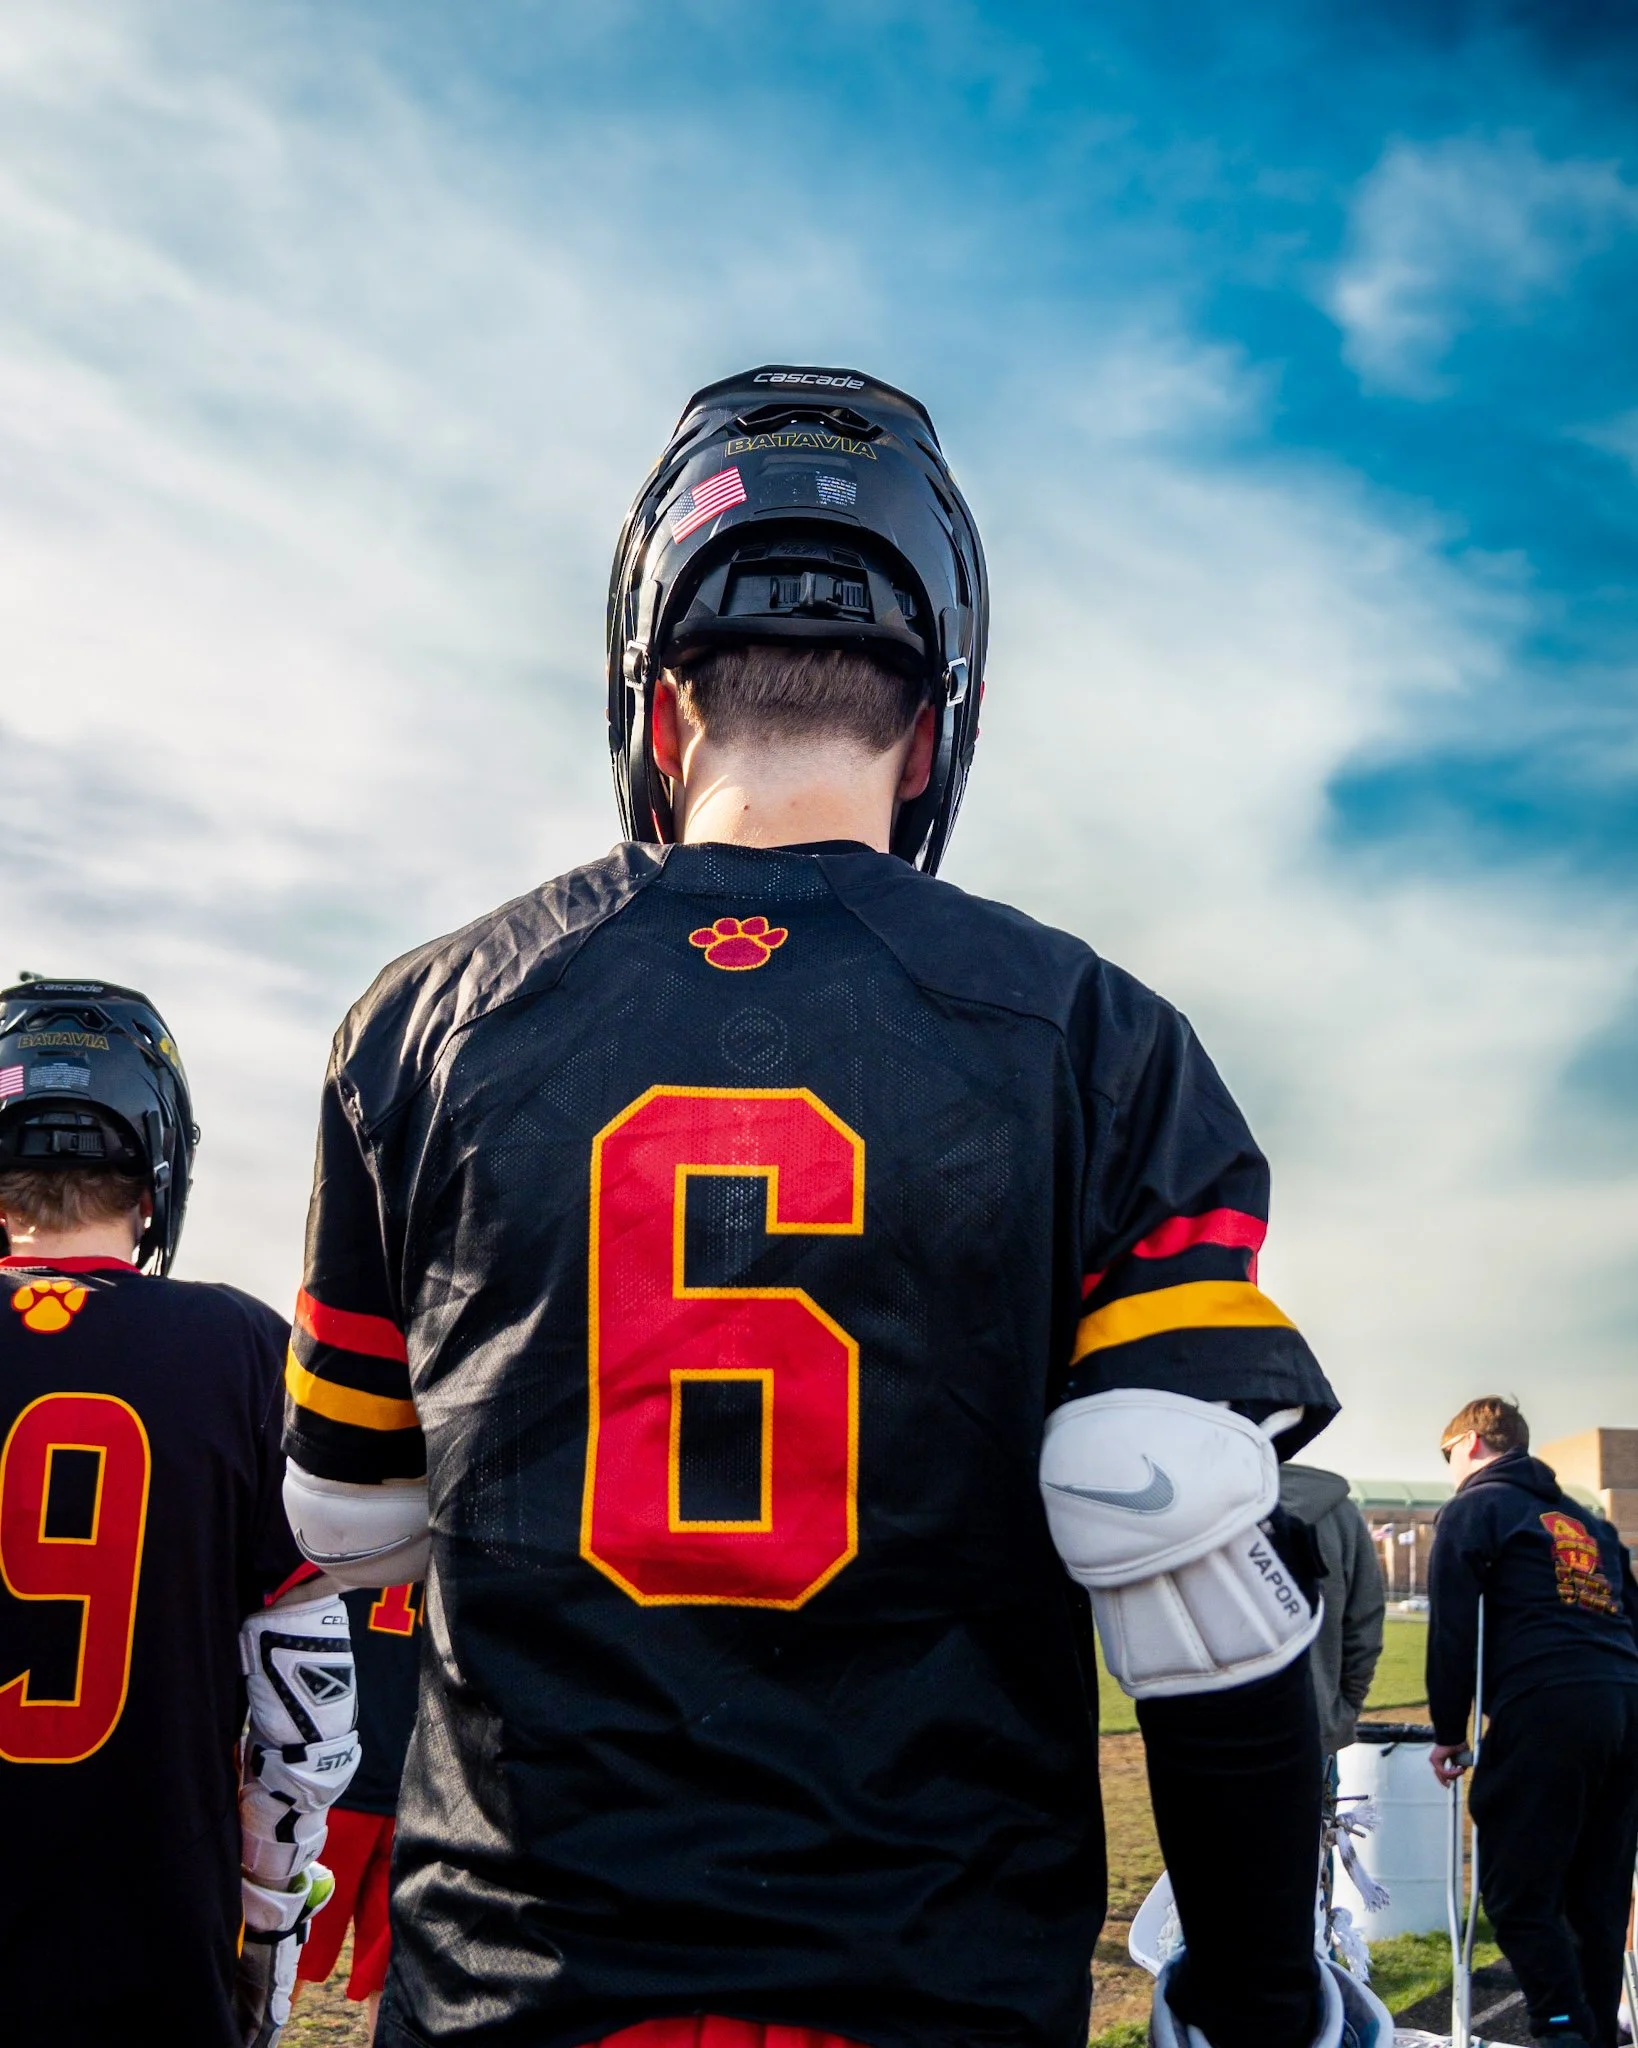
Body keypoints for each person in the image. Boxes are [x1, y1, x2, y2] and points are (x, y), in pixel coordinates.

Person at [280, 365, 1385, 2048]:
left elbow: (350, 1523)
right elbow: (1169, 1545)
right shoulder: (1095, 1035)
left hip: (524, 1978)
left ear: (657, 710)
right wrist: (1252, 1993)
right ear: (931, 720)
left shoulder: (420, 1022)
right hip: (925, 1977)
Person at [0, 978, 360, 2048]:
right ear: (158, 1174)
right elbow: (306, 1721)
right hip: (148, 1940)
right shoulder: (245, 1353)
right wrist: (265, 1921)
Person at [1427, 1396, 1638, 2048]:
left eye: (1447, 1457)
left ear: (1469, 1443)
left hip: (1548, 1702)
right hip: (1626, 1703)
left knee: (1517, 1888)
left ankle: (1559, 2025)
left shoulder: (1473, 1507)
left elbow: (1454, 1629)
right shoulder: (1590, 1523)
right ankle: (1596, 2032)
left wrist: (1447, 1732)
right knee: (1597, 1900)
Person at [295, 1579, 424, 2039]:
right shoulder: (472, 1535)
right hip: (420, 1783)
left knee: (277, 1957)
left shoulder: (342, 1528)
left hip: (332, 1776)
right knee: (394, 1984)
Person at [1279, 1462, 1385, 1764]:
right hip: (1311, 1724)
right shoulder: (1339, 1513)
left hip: (1205, 1732)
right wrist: (1338, 1712)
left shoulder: (1192, 1502)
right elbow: (1365, 1624)